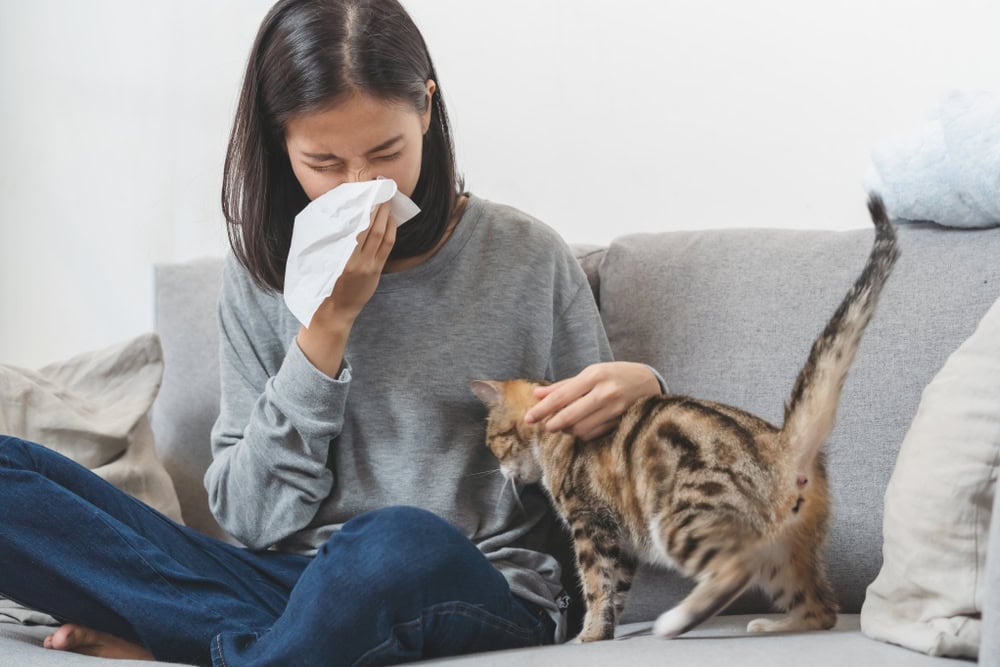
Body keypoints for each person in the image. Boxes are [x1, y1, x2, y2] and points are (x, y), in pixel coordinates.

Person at [0, 0, 664, 664]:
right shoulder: (260, 278)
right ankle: (254, 642)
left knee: (396, 540)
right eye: (324, 162)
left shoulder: (526, 256)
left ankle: (208, 640)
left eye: (386, 152)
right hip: (286, 584)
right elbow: (251, 519)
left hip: (470, 580)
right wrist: (326, 329)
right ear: (280, 143)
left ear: (426, 111)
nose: (362, 186)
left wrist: (644, 394)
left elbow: (605, 496)